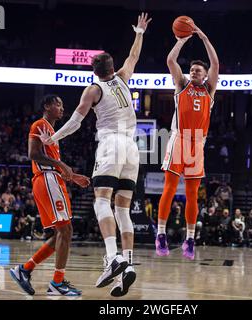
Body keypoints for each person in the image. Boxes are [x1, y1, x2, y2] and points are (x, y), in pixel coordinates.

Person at [36, 13, 152, 297]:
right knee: (122, 209)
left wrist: (53, 136)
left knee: (102, 200)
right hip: (133, 148)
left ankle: (113, 257)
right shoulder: (124, 77)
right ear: (113, 67)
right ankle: (127, 264)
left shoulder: (94, 89)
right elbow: (134, 56)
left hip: (111, 143)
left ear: (93, 70)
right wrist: (139, 32)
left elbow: (75, 121)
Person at [10, 95, 90, 296]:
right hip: (47, 179)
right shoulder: (39, 124)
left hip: (52, 178)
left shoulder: (52, 132)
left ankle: (25, 269)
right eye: (58, 104)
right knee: (66, 231)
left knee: (62, 233)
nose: (62, 108)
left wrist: (73, 176)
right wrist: (61, 165)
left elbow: (52, 162)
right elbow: (33, 154)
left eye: (62, 105)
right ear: (46, 106)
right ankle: (57, 282)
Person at [156, 24, 219, 260]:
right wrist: (181, 39)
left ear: (204, 75)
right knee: (170, 188)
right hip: (179, 139)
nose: (194, 72)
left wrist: (203, 37)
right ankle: (161, 233)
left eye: (198, 71)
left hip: (198, 144)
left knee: (192, 195)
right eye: (192, 69)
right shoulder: (181, 84)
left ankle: (190, 238)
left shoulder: (209, 89)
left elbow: (216, 64)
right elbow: (171, 60)